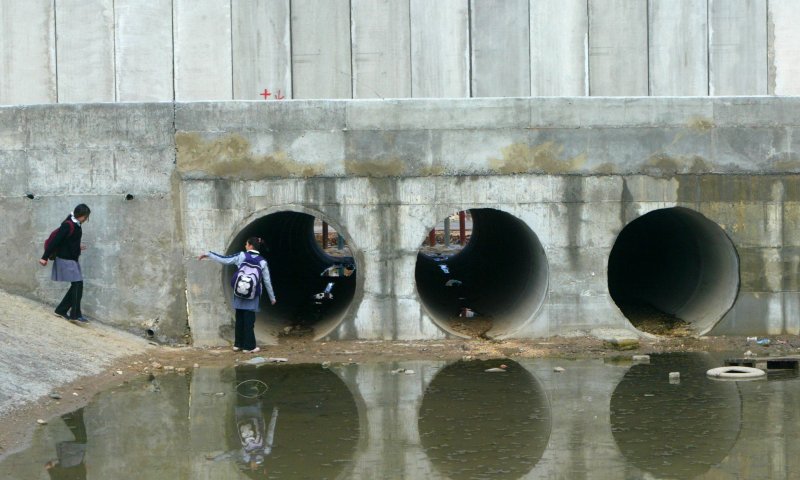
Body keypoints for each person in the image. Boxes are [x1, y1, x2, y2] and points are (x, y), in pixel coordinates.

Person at [198, 237, 276, 353]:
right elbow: (267, 281)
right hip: (253, 295)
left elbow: (224, 259)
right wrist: (272, 297)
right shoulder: (263, 262)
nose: (245, 246)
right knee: (249, 321)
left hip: (239, 292)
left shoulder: (241, 256)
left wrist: (209, 254)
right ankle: (249, 347)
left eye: (246, 244)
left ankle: (238, 344)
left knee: (239, 318)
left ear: (250, 246)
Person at [39, 204, 91, 324]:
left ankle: (61, 310)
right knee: (78, 284)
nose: (86, 219)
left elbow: (68, 241)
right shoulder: (68, 225)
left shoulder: (76, 225)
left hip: (72, 259)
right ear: (82, 216)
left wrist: (77, 247)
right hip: (65, 259)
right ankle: (75, 314)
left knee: (76, 285)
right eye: (86, 217)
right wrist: (44, 257)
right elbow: (55, 241)